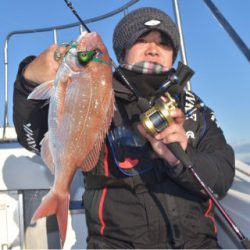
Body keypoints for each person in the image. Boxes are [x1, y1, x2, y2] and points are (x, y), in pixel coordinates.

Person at [13, 7, 235, 249]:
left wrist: (181, 157)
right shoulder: (100, 95)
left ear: (174, 55)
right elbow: (34, 137)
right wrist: (28, 80)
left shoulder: (195, 110)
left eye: (164, 43)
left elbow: (222, 177)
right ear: (121, 53)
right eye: (141, 39)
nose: (153, 48)